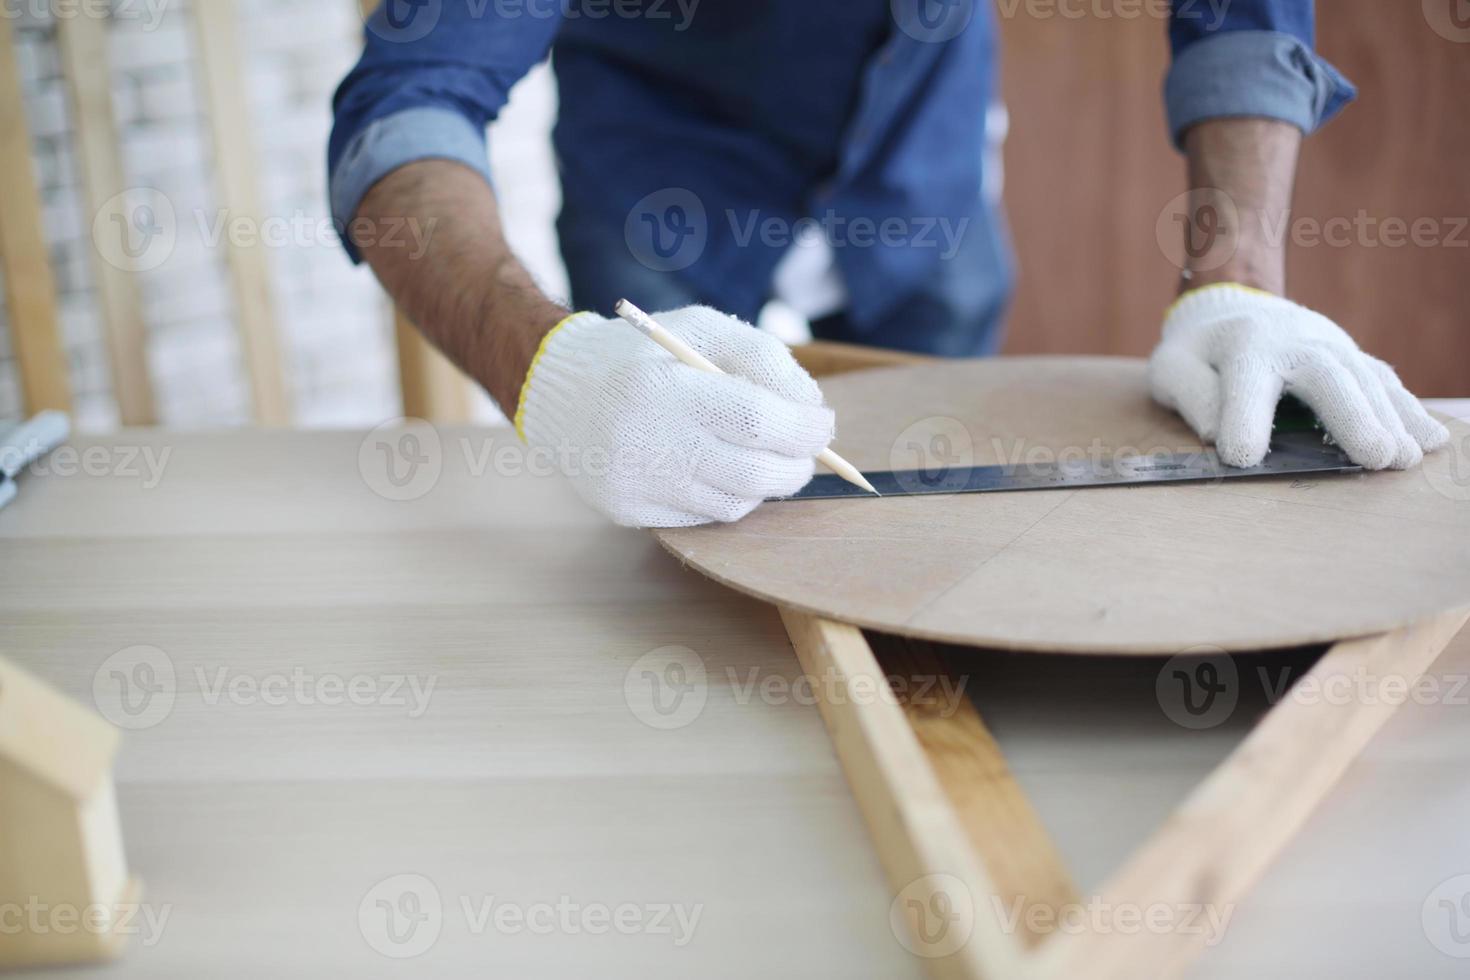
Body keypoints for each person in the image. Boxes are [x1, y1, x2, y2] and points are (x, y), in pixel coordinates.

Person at [329, 1, 1448, 527]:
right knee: (681, 519)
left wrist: (1239, 274)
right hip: (662, 160)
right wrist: (553, 370)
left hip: (925, 128)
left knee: (936, 476)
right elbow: (408, 104)